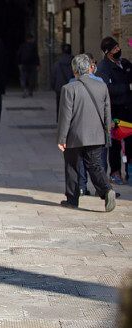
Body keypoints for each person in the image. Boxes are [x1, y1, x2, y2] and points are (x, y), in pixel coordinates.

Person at [57, 54, 116, 212]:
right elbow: (106, 112)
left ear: (74, 70)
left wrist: (61, 138)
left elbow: (65, 116)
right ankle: (106, 190)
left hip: (74, 135)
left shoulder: (69, 88)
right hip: (96, 134)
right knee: (94, 165)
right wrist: (106, 133)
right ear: (90, 68)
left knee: (72, 166)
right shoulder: (101, 86)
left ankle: (72, 199)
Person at [97, 37, 132, 185]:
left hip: (129, 109)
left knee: (130, 141)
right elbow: (106, 89)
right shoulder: (104, 68)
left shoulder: (125, 64)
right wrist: (127, 87)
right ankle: (115, 171)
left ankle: (129, 171)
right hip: (116, 110)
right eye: (114, 49)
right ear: (108, 52)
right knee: (116, 143)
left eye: (118, 47)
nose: (118, 50)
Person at [51, 44, 74, 118]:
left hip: (60, 88)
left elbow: (53, 77)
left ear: (62, 51)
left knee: (60, 107)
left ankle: (60, 122)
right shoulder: (75, 64)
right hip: (73, 88)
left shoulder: (57, 64)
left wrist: (54, 87)